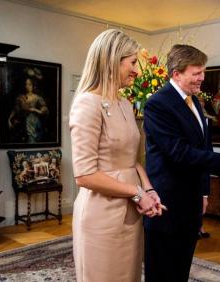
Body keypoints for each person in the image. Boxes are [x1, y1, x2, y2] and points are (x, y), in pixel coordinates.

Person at [143, 44, 220, 281]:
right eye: (197, 72)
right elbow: (179, 152)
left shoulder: (194, 102)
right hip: (166, 205)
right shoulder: (158, 104)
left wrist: (203, 193)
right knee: (162, 273)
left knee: (180, 270)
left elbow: (203, 148)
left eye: (203, 71)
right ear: (176, 74)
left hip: (190, 204)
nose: (203, 77)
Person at [69, 29, 164, 282]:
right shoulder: (87, 104)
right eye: (132, 62)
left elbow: (131, 159)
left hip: (130, 211)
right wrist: (137, 193)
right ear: (112, 60)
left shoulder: (124, 102)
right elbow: (85, 175)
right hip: (101, 216)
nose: (137, 70)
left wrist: (149, 189)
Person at [8, 76, 48, 143]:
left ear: (33, 85)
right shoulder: (20, 97)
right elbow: (15, 109)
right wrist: (9, 119)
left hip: (34, 121)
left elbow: (44, 110)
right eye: (25, 84)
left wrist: (34, 110)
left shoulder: (37, 97)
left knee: (32, 138)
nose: (27, 86)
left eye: (29, 84)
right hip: (23, 121)